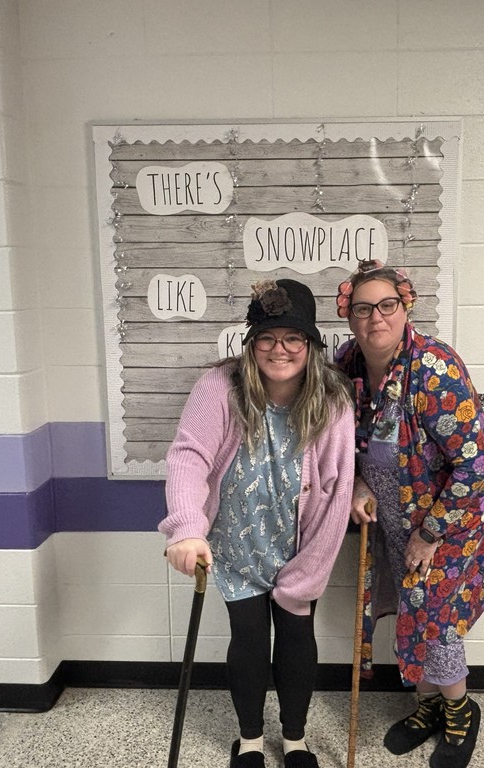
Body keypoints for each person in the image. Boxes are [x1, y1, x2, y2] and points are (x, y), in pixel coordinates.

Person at [161, 278, 355, 768]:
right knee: (247, 639)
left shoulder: (332, 401)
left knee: (296, 639)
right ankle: (249, 739)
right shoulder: (220, 386)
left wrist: (312, 566)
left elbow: (336, 493)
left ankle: (294, 739)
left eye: (293, 338)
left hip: (300, 547)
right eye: (266, 338)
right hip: (233, 545)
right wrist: (186, 528)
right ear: (251, 345)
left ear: (311, 346)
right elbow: (189, 456)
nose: (280, 349)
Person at [334, 260, 484, 768]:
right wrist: (360, 483)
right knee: (413, 615)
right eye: (363, 308)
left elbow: (480, 463)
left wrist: (430, 533)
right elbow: (351, 444)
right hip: (393, 519)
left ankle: (459, 712)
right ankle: (427, 707)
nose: (375, 318)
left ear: (405, 308)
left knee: (438, 622)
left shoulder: (434, 367)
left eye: (388, 305)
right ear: (348, 317)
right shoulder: (348, 367)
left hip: (449, 524)